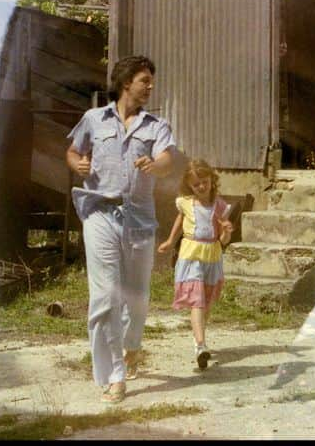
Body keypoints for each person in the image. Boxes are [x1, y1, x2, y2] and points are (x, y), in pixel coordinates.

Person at [66, 55, 176, 403]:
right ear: (127, 82)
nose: (150, 86)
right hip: (99, 211)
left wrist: (154, 166)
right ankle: (115, 375)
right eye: (145, 80)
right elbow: (72, 150)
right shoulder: (93, 119)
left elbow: (167, 160)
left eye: (151, 81)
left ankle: (130, 346)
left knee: (137, 299)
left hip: (139, 220)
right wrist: (79, 163)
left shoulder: (156, 126)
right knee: (105, 295)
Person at [156, 158, 233, 369]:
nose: (201, 187)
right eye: (196, 184)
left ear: (211, 180)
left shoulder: (219, 206)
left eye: (204, 182)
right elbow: (179, 222)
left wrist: (226, 232)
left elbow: (223, 241)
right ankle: (201, 344)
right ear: (189, 185)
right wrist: (171, 241)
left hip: (212, 255)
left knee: (206, 302)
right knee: (197, 299)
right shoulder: (186, 203)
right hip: (190, 254)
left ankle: (199, 336)